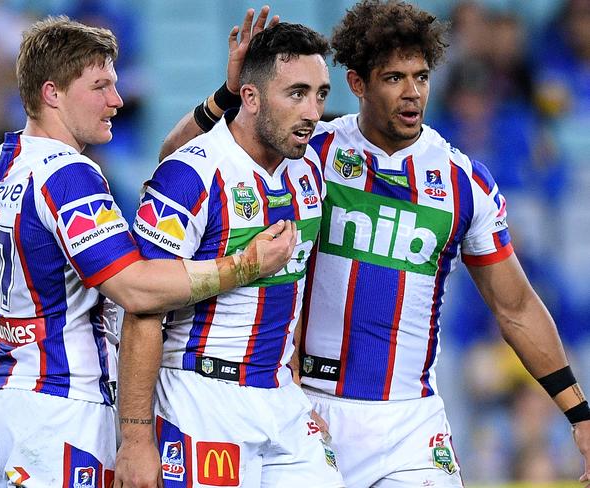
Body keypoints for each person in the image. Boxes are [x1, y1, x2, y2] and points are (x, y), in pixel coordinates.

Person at [164, 1, 590, 487]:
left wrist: (580, 414)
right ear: (357, 84)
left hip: (412, 422)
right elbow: (178, 167)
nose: (412, 93)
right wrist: (224, 96)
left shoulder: (462, 182)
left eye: (422, 76)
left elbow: (515, 306)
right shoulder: (312, 152)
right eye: (394, 78)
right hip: (311, 412)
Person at [0, 15, 296, 488]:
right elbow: (135, 289)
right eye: (100, 86)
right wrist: (245, 266)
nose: (116, 100)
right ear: (52, 92)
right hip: (63, 414)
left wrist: (3, 346)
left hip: (3, 408)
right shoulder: (67, 174)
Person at [114, 21, 345, 488]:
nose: (313, 113)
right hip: (203, 397)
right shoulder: (192, 175)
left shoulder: (310, 170)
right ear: (251, 97)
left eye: (320, 94)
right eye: (296, 93)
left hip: (280, 399)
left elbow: (294, 290)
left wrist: (294, 389)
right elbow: (142, 311)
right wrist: (135, 438)